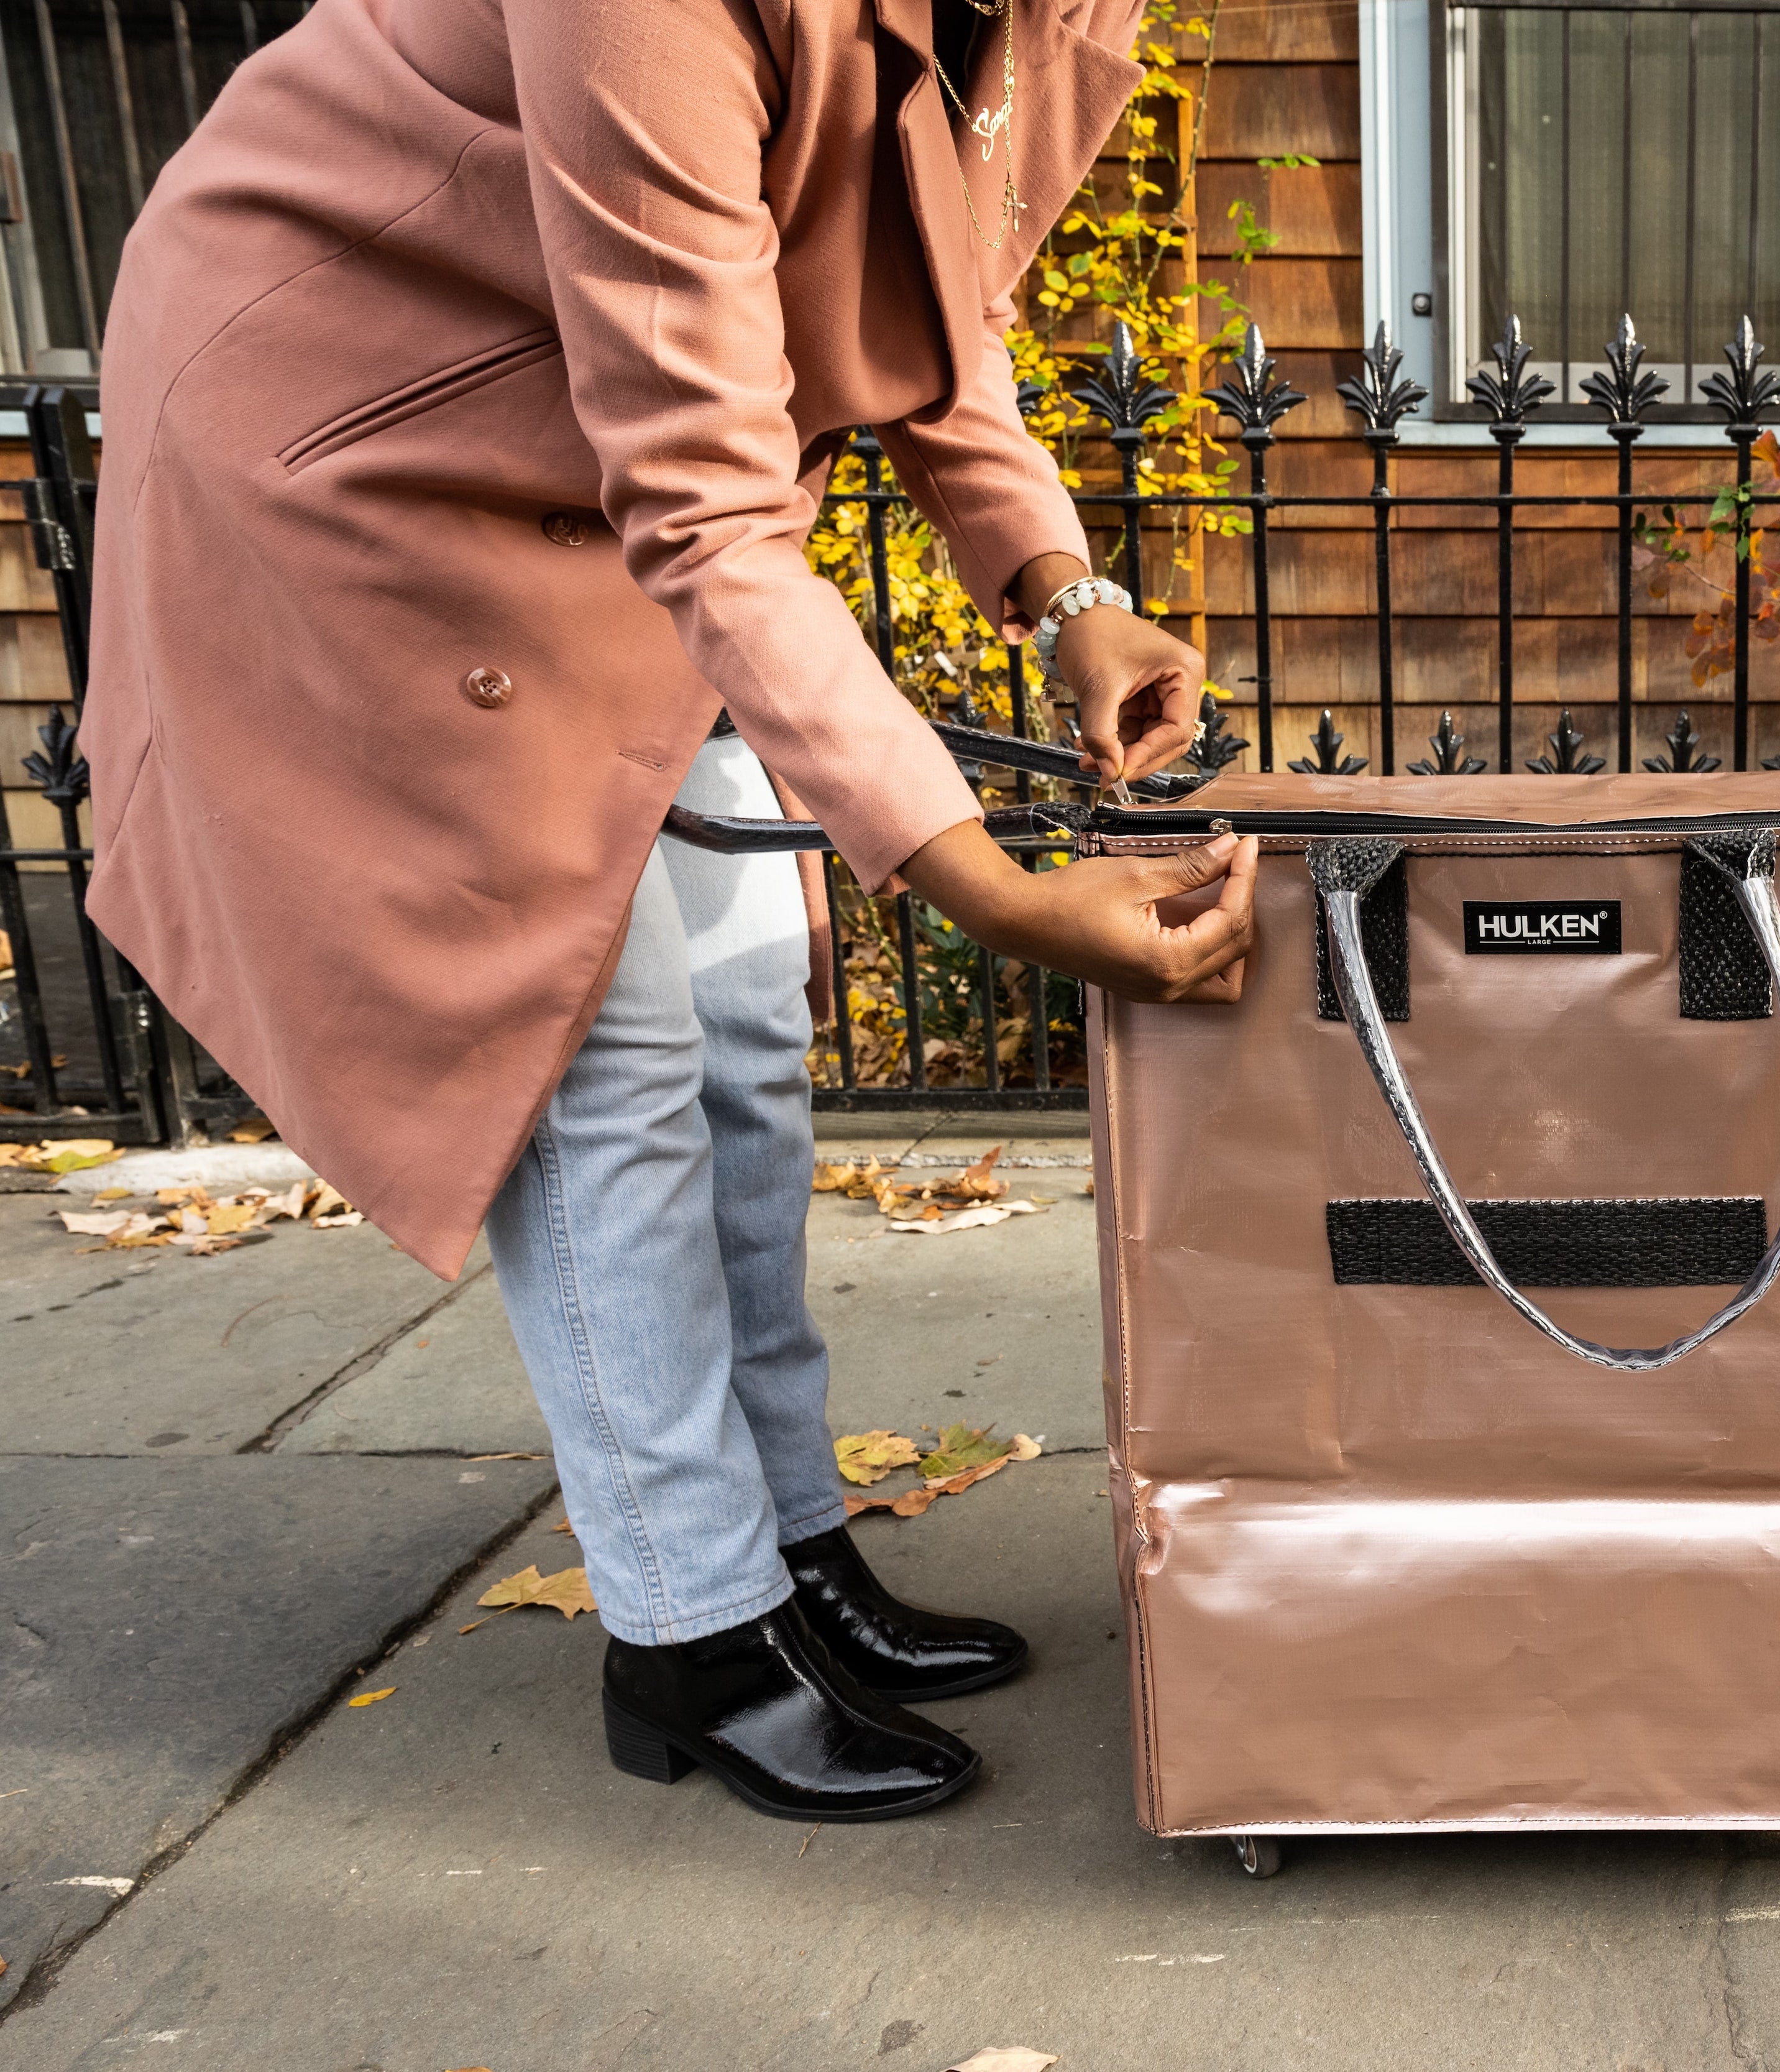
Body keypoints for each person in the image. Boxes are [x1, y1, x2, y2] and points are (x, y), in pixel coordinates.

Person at [78, 0, 1257, 1823]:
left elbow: (946, 318)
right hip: (347, 431)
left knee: (745, 1019)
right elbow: (706, 501)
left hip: (596, 440)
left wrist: (1060, 584)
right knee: (599, 1036)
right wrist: (993, 895)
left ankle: (788, 1551)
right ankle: (690, 1633)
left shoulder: (1062, 12)